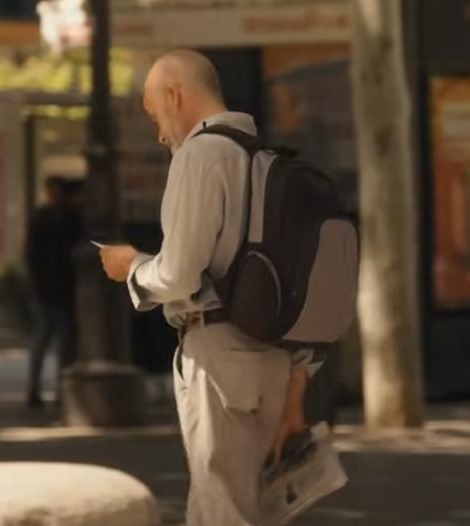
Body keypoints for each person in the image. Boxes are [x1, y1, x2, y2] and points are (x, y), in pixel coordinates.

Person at [97, 50, 323, 525]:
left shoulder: (200, 156)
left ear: (175, 95)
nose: (160, 132)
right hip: (275, 357)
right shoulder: (264, 156)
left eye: (155, 112)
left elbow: (179, 273)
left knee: (222, 511)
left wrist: (132, 267)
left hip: (220, 355)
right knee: (256, 511)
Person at [24, 176, 82, 408]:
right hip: (48, 287)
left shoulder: (70, 218)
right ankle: (36, 388)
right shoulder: (44, 218)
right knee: (46, 339)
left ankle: (59, 389)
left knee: (62, 342)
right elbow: (31, 254)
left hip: (62, 287)